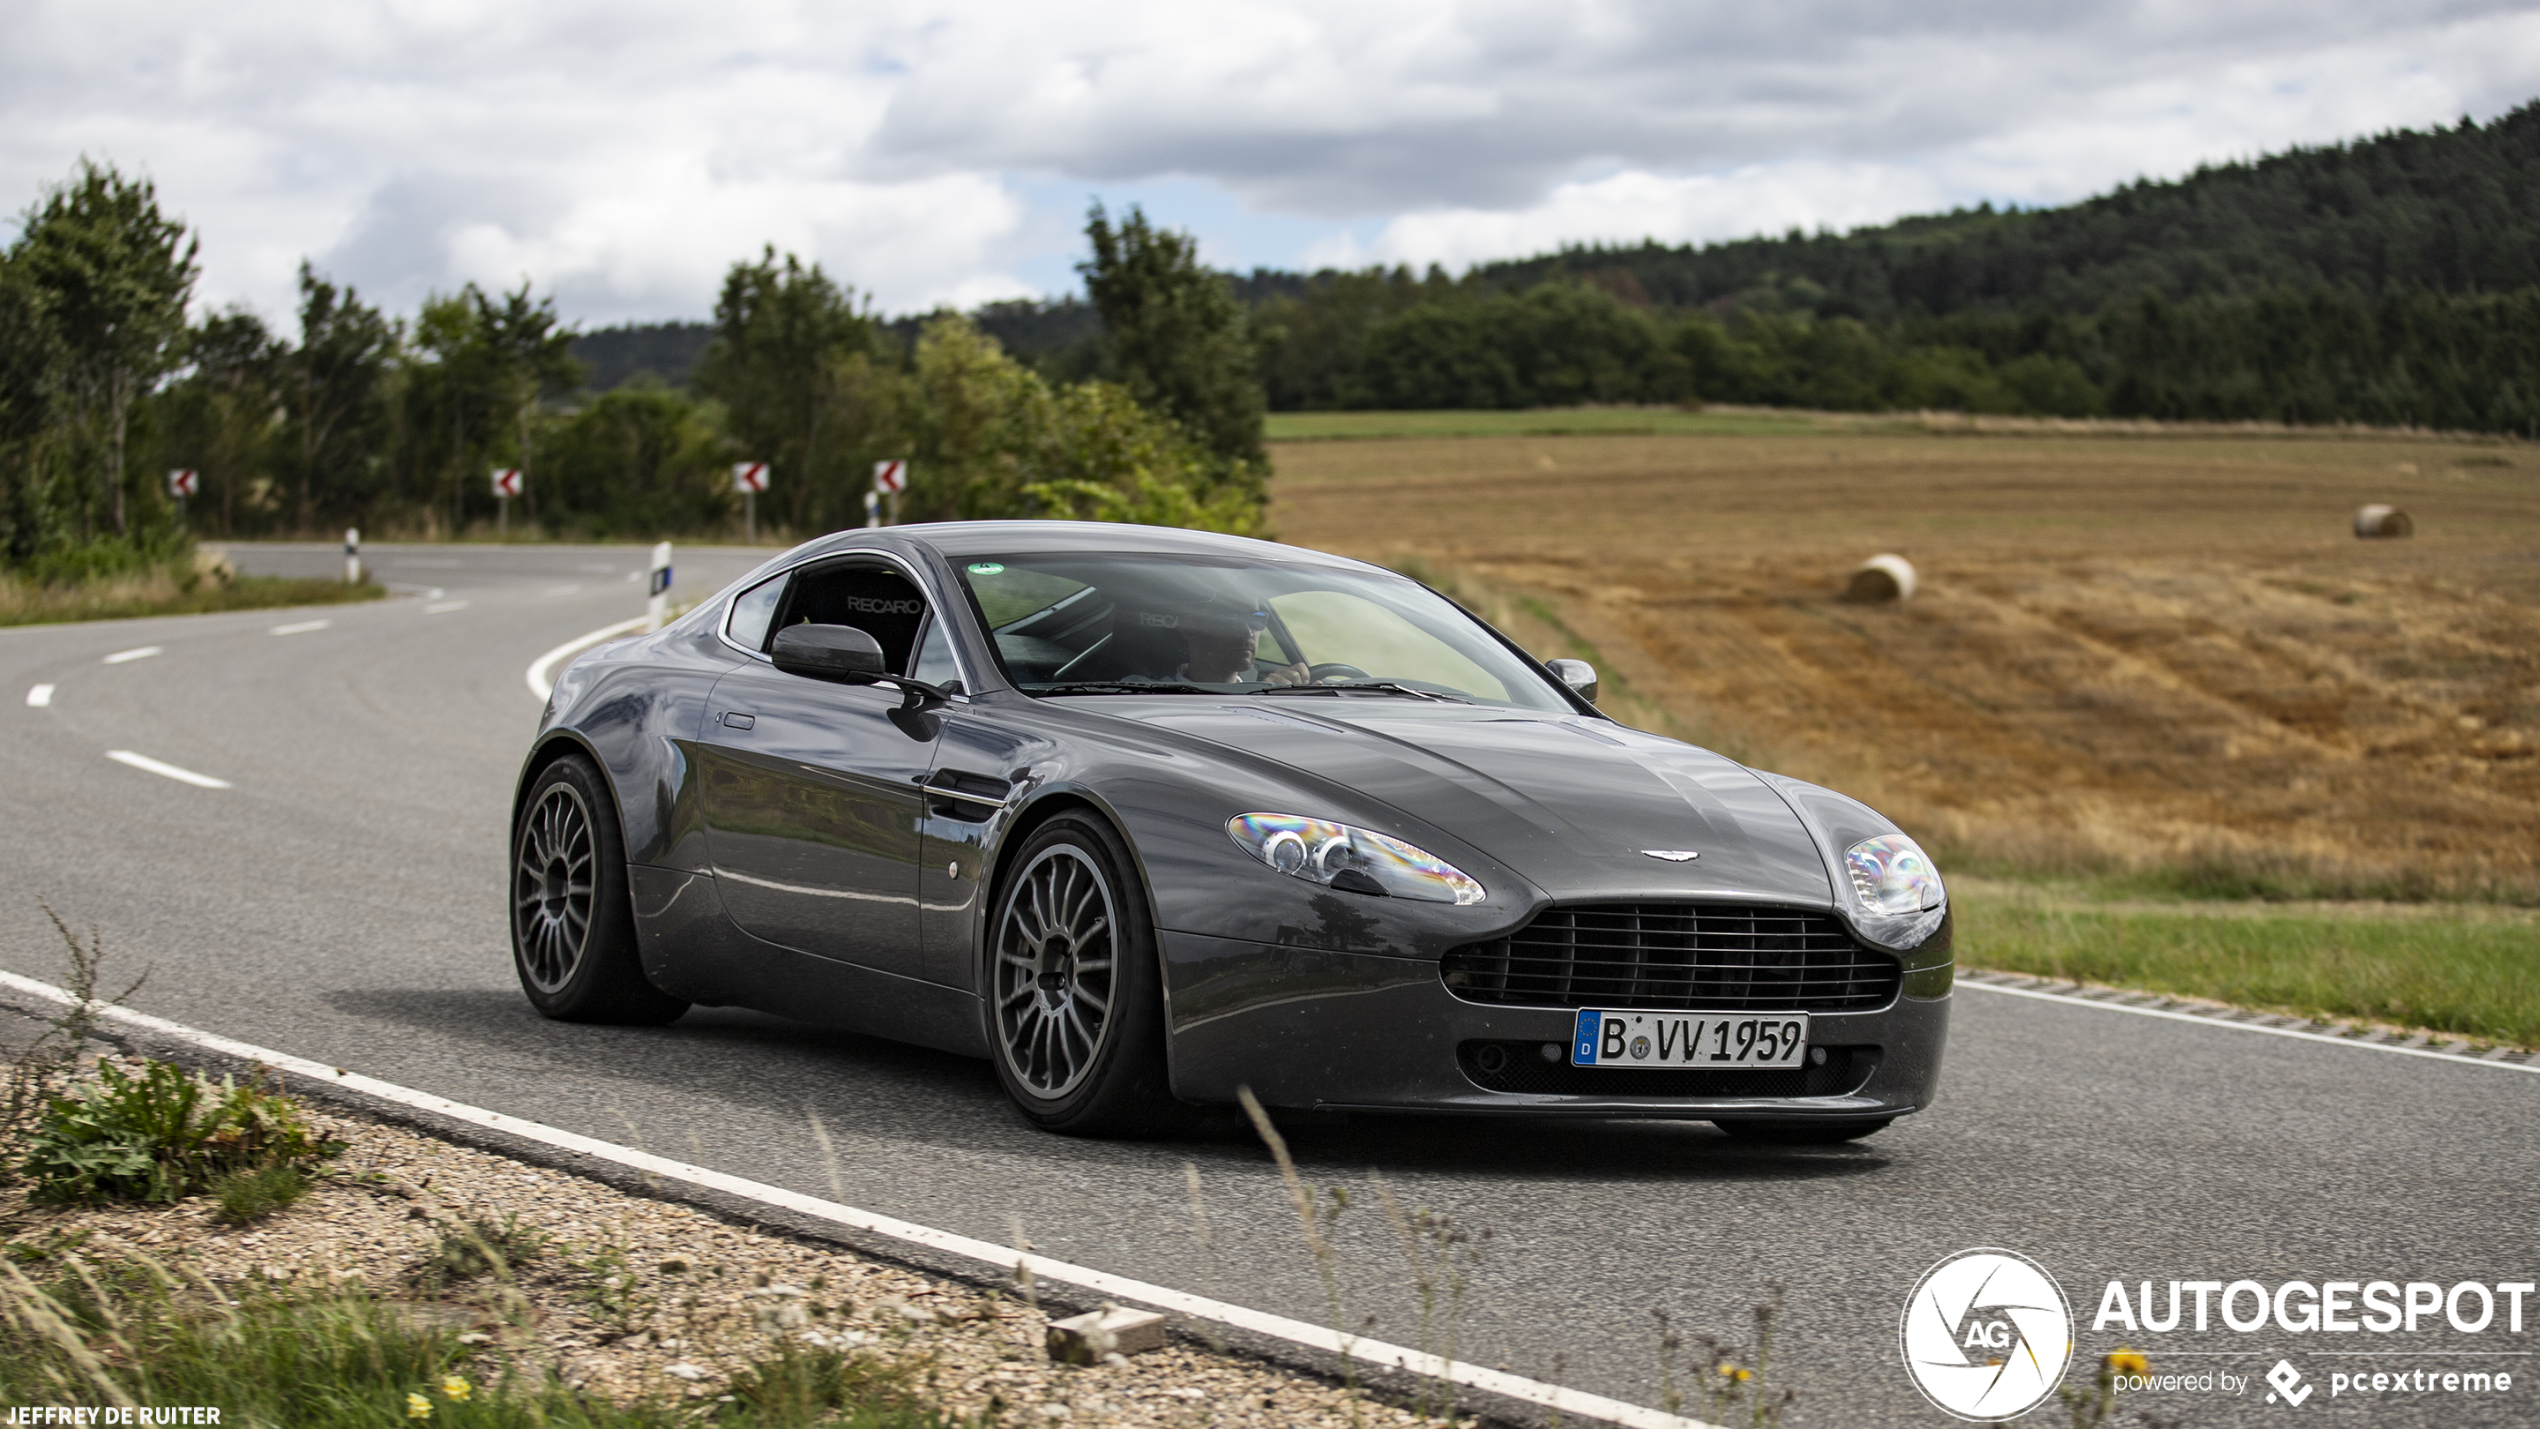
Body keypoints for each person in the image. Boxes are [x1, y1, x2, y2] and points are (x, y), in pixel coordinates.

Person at [1176, 598, 1310, 685]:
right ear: (1189, 628)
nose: (1247, 632)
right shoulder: (1160, 699)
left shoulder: (1263, 692)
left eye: (1256, 619)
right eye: (1229, 619)